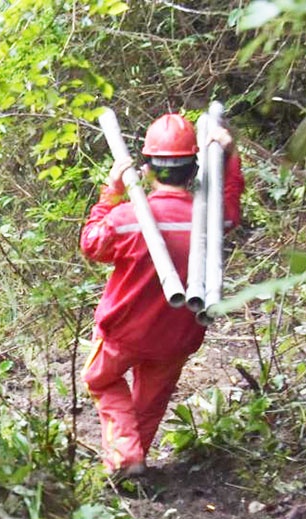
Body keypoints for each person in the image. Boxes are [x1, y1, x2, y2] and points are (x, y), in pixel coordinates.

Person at [80, 112, 244, 478]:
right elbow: (231, 203)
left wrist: (112, 191)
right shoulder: (213, 218)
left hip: (122, 333)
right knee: (149, 403)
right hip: (178, 336)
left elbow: (91, 244)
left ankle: (125, 457)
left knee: (100, 380)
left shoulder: (125, 218)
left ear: (148, 169)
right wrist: (230, 158)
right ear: (194, 166)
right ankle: (129, 461)